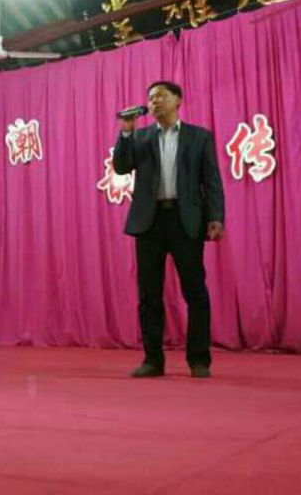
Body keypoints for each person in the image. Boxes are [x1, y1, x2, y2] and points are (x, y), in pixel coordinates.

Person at [113, 81, 224, 378]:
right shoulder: (140, 137)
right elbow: (121, 167)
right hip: (148, 222)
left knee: (195, 291)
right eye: (151, 98)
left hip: (185, 220)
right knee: (149, 294)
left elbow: (211, 180)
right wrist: (126, 132)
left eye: (161, 96)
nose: (155, 102)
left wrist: (216, 217)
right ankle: (152, 360)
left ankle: (199, 360)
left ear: (178, 101)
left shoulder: (199, 137)